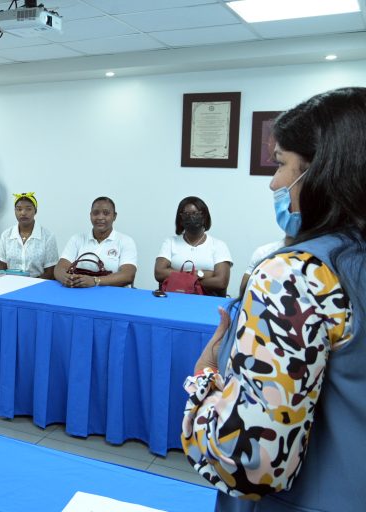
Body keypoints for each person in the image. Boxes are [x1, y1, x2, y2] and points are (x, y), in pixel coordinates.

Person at [182, 87, 365, 511]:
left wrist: (206, 379)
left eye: (281, 163)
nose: (274, 182)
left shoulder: (296, 275)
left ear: (324, 170)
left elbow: (248, 461)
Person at [154, 196, 232, 296]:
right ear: (180, 220)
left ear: (204, 217)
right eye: (186, 214)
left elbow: (221, 282)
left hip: (208, 300)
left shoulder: (218, 245)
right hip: (174, 298)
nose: (191, 217)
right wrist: (204, 274)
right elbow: (159, 273)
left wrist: (180, 279)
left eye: (195, 213)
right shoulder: (170, 242)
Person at [54, 196, 137, 287]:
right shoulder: (77, 239)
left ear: (114, 216)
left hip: (114, 296)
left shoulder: (125, 241)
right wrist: (65, 278)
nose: (100, 217)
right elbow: (59, 268)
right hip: (80, 294)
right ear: (90, 215)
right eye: (96, 213)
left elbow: (128, 275)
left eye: (106, 213)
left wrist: (95, 281)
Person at [0, 192, 58, 279]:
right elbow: (2, 268)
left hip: (37, 285)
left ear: (35, 211)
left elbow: (50, 272)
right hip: (10, 285)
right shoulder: (6, 235)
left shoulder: (48, 236)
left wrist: (30, 285)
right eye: (19, 209)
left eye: (28, 209)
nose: (23, 213)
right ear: (15, 211)